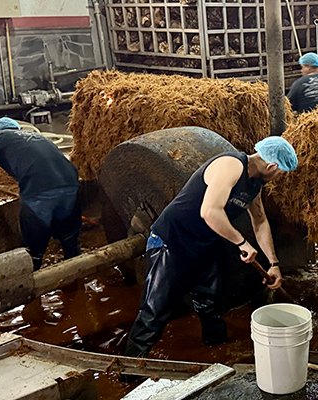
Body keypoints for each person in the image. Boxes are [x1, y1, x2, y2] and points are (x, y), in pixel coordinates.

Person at [123, 137, 297, 357]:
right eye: (281, 172)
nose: (278, 178)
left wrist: (273, 263)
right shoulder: (231, 165)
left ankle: (217, 356)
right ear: (272, 166)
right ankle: (128, 372)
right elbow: (210, 212)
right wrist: (242, 242)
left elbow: (260, 221)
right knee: (154, 312)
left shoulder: (255, 183)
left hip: (203, 245)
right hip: (172, 241)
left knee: (211, 305)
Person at [0, 118, 81, 270]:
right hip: (72, 183)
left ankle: (35, 285)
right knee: (71, 245)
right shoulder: (39, 137)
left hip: (39, 190)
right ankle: (76, 286)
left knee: (35, 253)